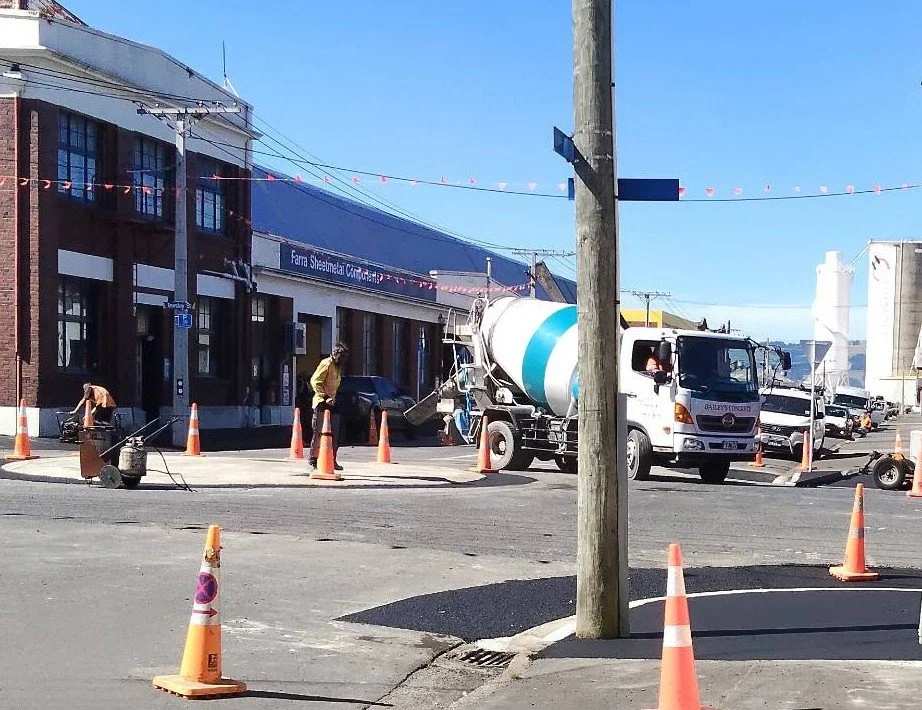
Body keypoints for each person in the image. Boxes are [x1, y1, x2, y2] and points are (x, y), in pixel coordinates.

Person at [308, 343, 349, 470]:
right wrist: (325, 397)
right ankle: (314, 459)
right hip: (322, 402)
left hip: (332, 402)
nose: (343, 360)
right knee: (319, 431)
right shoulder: (326, 364)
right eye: (342, 357)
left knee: (335, 432)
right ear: (336, 354)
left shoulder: (337, 367)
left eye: (345, 358)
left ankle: (331, 458)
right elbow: (315, 381)